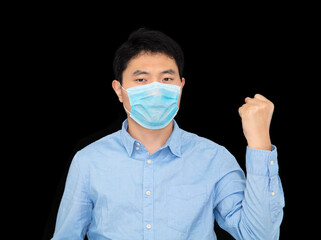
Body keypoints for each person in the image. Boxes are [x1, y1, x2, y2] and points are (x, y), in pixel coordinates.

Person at [51, 28, 284, 240]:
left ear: (181, 86)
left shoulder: (214, 158)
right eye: (141, 79)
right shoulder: (89, 161)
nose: (155, 89)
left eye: (167, 79)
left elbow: (259, 236)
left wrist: (259, 142)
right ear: (119, 90)